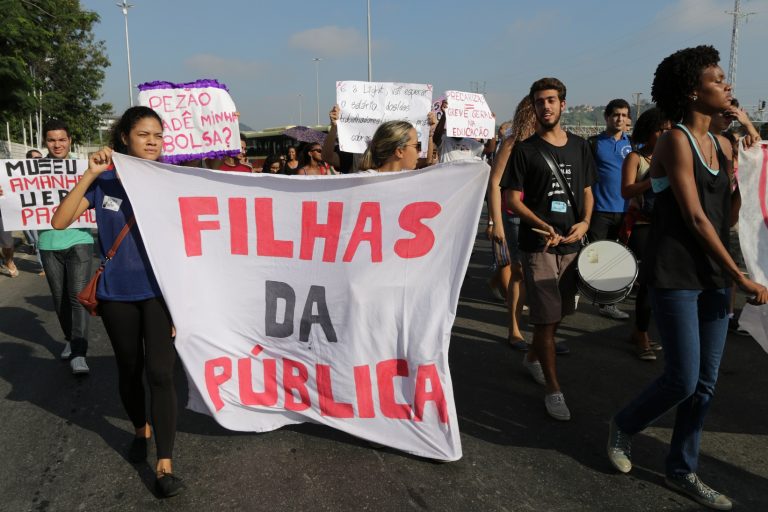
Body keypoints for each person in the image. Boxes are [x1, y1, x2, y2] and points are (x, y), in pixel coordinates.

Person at [607, 46, 767, 511]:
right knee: (682, 378)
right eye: (719, 79)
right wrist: (741, 275)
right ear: (695, 91)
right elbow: (695, 219)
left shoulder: (722, 143)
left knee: (707, 382)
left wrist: (745, 172)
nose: (728, 85)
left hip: (713, 274)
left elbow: (725, 215)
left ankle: (682, 469)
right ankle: (624, 424)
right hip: (676, 271)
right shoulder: (674, 141)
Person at [51, 106, 185, 498]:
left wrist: (184, 301)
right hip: (116, 296)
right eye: (144, 134)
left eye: (158, 136)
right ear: (124, 137)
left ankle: (165, 462)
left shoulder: (172, 181)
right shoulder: (104, 181)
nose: (152, 142)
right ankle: (140, 429)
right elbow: (60, 222)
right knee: (130, 369)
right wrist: (91, 174)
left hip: (160, 295)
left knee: (161, 373)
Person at [501, 77, 595, 421]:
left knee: (559, 315)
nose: (546, 106)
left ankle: (531, 359)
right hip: (537, 245)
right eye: (540, 101)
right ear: (534, 106)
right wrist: (540, 225)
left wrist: (585, 223)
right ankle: (553, 389)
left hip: (570, 244)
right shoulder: (524, 150)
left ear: (563, 105)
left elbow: (587, 190)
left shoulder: (581, 147)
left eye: (552, 100)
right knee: (547, 316)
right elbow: (511, 200)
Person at [39, 119, 94, 374]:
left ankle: (80, 352)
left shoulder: (84, 169)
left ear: (70, 140)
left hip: (80, 240)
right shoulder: (30, 171)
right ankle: (71, 340)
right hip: (48, 242)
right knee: (59, 299)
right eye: (52, 140)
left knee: (77, 298)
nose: (57, 144)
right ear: (45, 142)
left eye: (62, 139)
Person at [619, 107, 671, 360]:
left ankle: (640, 331)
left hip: (666, 224)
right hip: (642, 225)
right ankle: (641, 334)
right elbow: (626, 191)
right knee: (650, 281)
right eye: (661, 130)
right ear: (649, 131)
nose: (665, 134)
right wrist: (654, 180)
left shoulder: (672, 157)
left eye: (669, 130)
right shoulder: (635, 158)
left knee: (658, 282)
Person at [488, 98, 537, 352]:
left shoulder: (554, 142)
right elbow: (495, 184)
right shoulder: (512, 143)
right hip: (514, 216)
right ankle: (515, 330)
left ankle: (543, 336)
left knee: (541, 276)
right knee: (519, 272)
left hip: (544, 219)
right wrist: (495, 222)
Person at [587, 99, 633, 320]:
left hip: (626, 211)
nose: (620, 119)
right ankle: (583, 288)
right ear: (607, 117)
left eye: (624, 115)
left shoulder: (634, 144)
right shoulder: (594, 143)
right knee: (593, 256)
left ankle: (608, 303)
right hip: (598, 211)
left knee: (618, 259)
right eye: (616, 114)